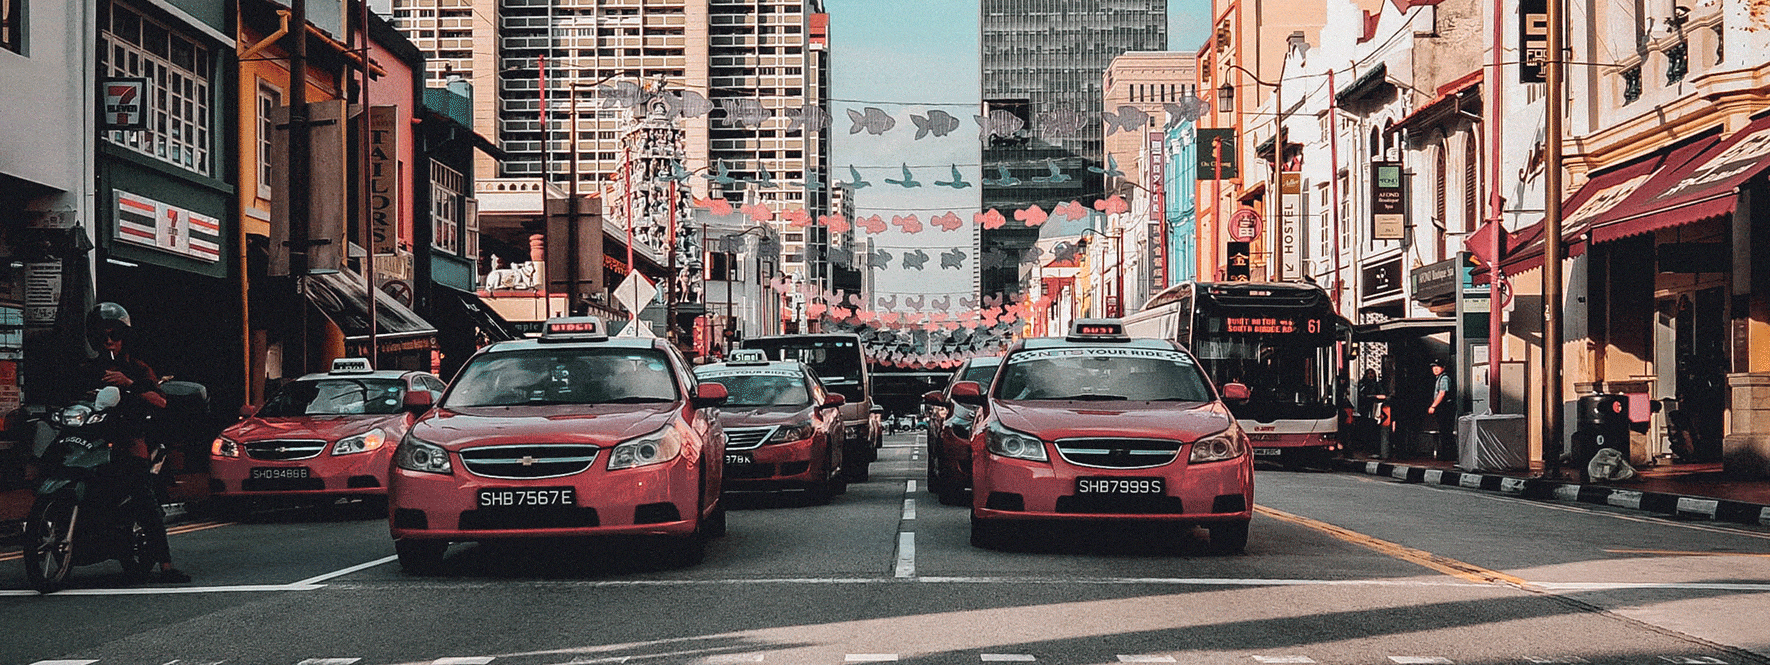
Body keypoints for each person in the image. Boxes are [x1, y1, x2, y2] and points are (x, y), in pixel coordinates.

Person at [79, 303, 190, 584]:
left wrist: (127, 383)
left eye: (114, 334)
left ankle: (165, 565)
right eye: (102, 335)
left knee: (143, 496)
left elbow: (160, 400)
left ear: (124, 336)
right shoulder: (84, 368)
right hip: (89, 441)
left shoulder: (137, 368)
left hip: (128, 439)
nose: (108, 340)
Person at [1425, 359, 1452, 458]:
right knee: (1443, 430)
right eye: (1433, 367)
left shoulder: (1444, 378)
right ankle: (1446, 453)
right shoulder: (1439, 378)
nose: (1435, 369)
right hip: (1442, 407)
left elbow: (1442, 393)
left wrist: (1433, 406)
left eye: (1438, 367)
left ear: (1443, 368)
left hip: (1445, 407)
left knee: (1446, 431)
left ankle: (1448, 454)